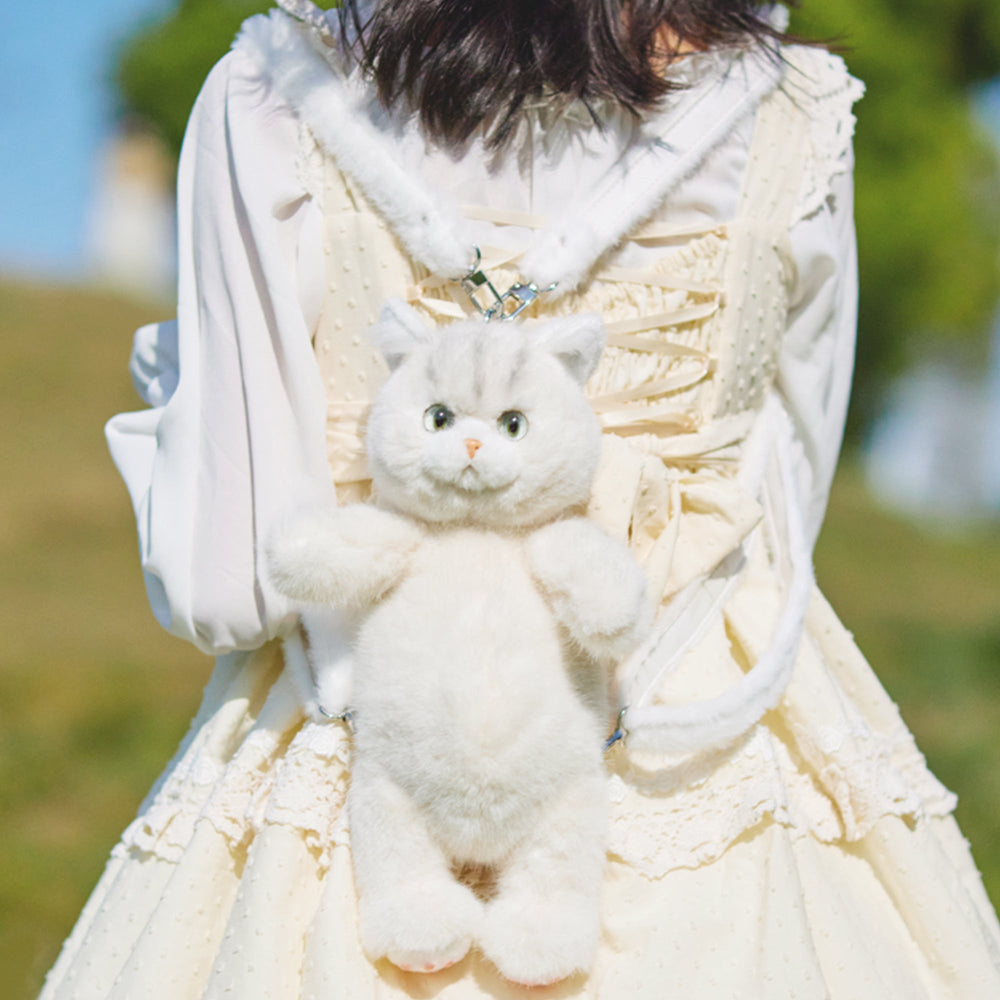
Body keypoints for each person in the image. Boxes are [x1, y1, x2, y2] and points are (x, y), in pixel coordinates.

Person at [39, 1, 1000, 997]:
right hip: (706, 727)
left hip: (366, 719)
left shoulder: (270, 92)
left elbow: (230, 585)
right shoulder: (795, 108)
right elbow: (786, 489)